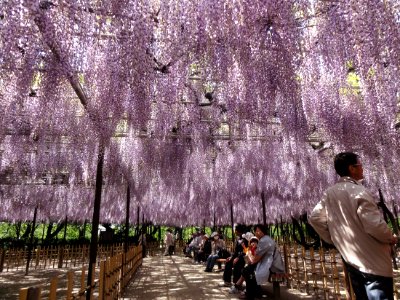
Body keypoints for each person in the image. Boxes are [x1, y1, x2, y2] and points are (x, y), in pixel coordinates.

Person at [309, 152, 397, 300]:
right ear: (352, 168)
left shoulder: (329, 193)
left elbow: (315, 217)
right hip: (374, 262)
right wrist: (390, 237)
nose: (362, 168)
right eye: (360, 165)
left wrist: (334, 238)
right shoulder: (359, 191)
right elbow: (374, 225)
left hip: (351, 260)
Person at [241, 224, 284, 300]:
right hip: (272, 263)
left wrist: (249, 255)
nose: (256, 233)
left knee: (249, 271)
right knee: (248, 269)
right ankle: (254, 293)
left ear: (263, 231)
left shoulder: (264, 241)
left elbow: (255, 259)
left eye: (258, 231)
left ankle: (251, 295)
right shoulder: (266, 239)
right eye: (256, 231)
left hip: (273, 266)